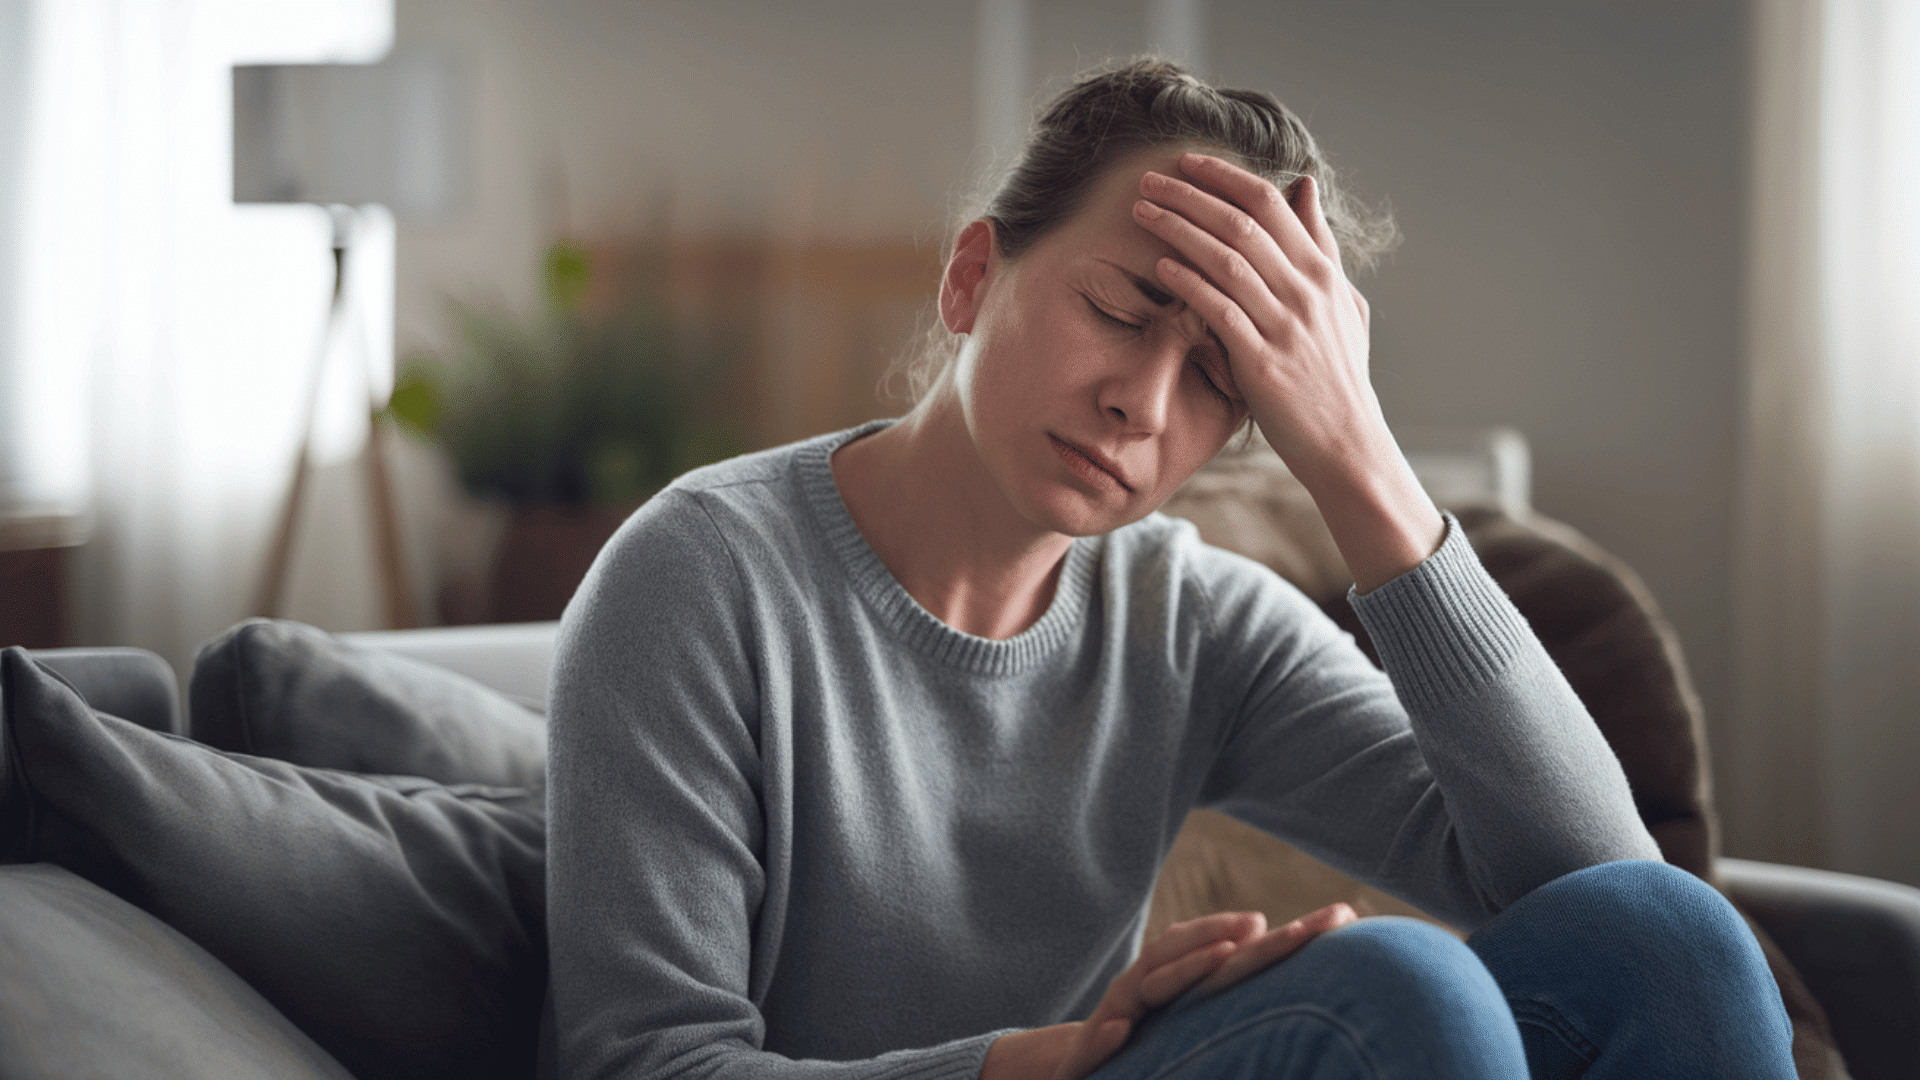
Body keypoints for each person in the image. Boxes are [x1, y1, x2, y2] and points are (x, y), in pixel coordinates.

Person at [546, 58, 1796, 1080]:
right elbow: (645, 1064)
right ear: (974, 276)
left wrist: (1361, 456)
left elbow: (1594, 878)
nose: (1140, 403)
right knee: (1393, 987)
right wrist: (1044, 1063)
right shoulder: (699, 575)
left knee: (1675, 941)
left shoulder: (1189, 619)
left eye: (1217, 376)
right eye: (1120, 311)